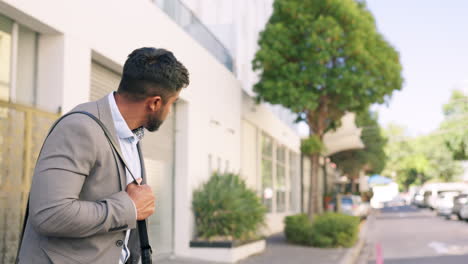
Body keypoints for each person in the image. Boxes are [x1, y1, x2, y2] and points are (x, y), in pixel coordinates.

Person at [17, 47, 189, 263]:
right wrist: (130, 207)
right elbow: (50, 214)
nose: (170, 112)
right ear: (154, 103)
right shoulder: (79, 128)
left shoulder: (131, 135)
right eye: (171, 103)